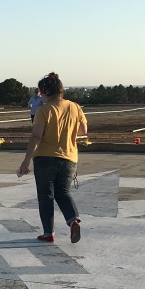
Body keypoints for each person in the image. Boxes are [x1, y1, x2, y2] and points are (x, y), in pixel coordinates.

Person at [16, 72, 86, 244]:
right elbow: (83, 130)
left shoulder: (43, 111)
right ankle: (74, 221)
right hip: (69, 157)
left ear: (46, 93)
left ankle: (48, 233)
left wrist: (26, 161)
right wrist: (67, 132)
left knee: (45, 195)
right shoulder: (75, 107)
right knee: (63, 192)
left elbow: (36, 137)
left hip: (45, 159)